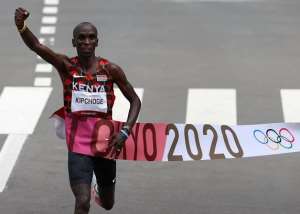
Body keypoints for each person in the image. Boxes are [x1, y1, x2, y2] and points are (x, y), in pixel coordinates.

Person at [15, 7, 141, 214]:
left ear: (97, 42)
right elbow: (37, 46)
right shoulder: (65, 66)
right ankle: (85, 191)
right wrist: (21, 26)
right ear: (74, 42)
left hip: (105, 144)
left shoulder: (111, 70)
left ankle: (99, 188)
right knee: (82, 202)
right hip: (78, 145)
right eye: (81, 38)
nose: (86, 42)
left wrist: (125, 131)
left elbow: (135, 100)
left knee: (108, 204)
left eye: (91, 38)